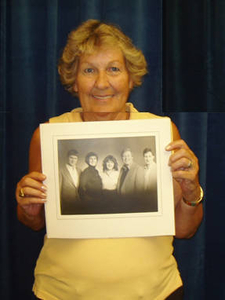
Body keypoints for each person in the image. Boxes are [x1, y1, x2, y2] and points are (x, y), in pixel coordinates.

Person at [15, 19, 203, 299]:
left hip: (154, 292)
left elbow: (185, 230)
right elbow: (35, 222)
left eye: (113, 69)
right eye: (89, 70)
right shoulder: (48, 136)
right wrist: (28, 207)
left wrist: (192, 191)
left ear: (130, 77)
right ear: (74, 80)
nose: (101, 83)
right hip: (62, 293)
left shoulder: (160, 131)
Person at [59, 149, 81, 214]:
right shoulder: (61, 170)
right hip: (66, 203)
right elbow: (58, 189)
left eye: (75, 158)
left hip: (78, 202)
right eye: (71, 157)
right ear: (67, 158)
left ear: (77, 159)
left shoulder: (79, 170)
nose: (73, 160)